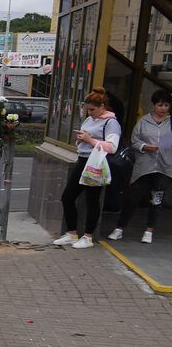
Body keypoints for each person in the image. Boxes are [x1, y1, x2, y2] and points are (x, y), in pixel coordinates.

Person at [54, 88, 121, 249]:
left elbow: (112, 147)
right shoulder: (89, 120)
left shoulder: (111, 122)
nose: (90, 112)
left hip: (96, 162)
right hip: (82, 159)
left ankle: (88, 236)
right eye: (87, 109)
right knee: (67, 196)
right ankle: (71, 233)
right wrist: (81, 140)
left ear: (103, 106)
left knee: (92, 200)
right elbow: (86, 138)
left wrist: (90, 140)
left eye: (93, 109)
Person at [109, 89, 172, 244]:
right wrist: (144, 146)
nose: (163, 108)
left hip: (165, 167)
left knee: (157, 199)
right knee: (133, 197)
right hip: (144, 166)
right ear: (153, 105)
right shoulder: (143, 121)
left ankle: (149, 230)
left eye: (166, 105)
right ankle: (120, 228)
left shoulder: (170, 122)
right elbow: (134, 140)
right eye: (160, 105)